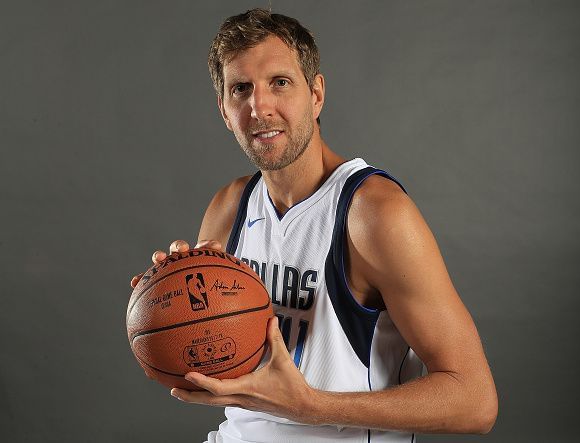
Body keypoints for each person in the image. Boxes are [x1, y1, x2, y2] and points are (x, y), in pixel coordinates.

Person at [130, 8, 498, 442]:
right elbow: (217, 357)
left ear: (317, 94)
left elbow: (475, 401)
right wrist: (170, 299)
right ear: (225, 110)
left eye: (279, 83)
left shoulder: (373, 214)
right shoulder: (230, 207)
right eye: (240, 89)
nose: (259, 106)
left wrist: (311, 407)